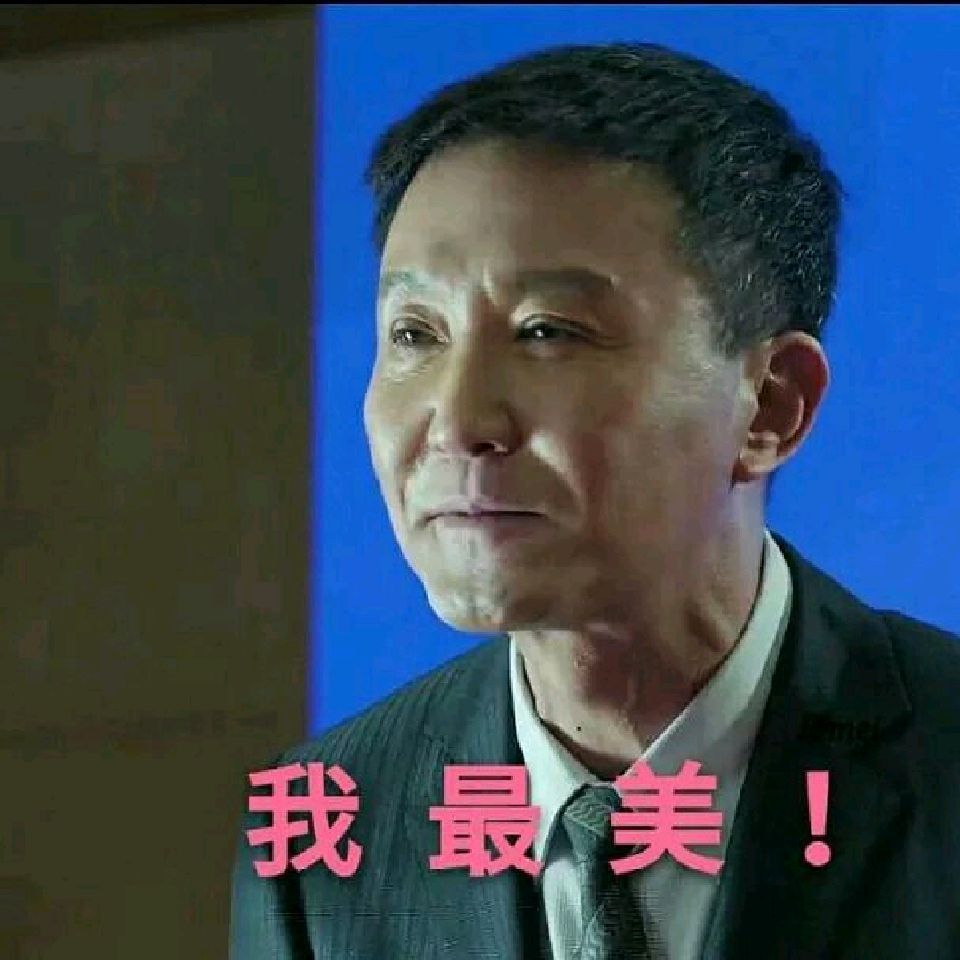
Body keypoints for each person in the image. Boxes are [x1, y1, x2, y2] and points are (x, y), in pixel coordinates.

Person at [229, 42, 960, 959]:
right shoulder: (323, 833)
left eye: (548, 332)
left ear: (771, 405)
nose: (458, 421)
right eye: (415, 333)